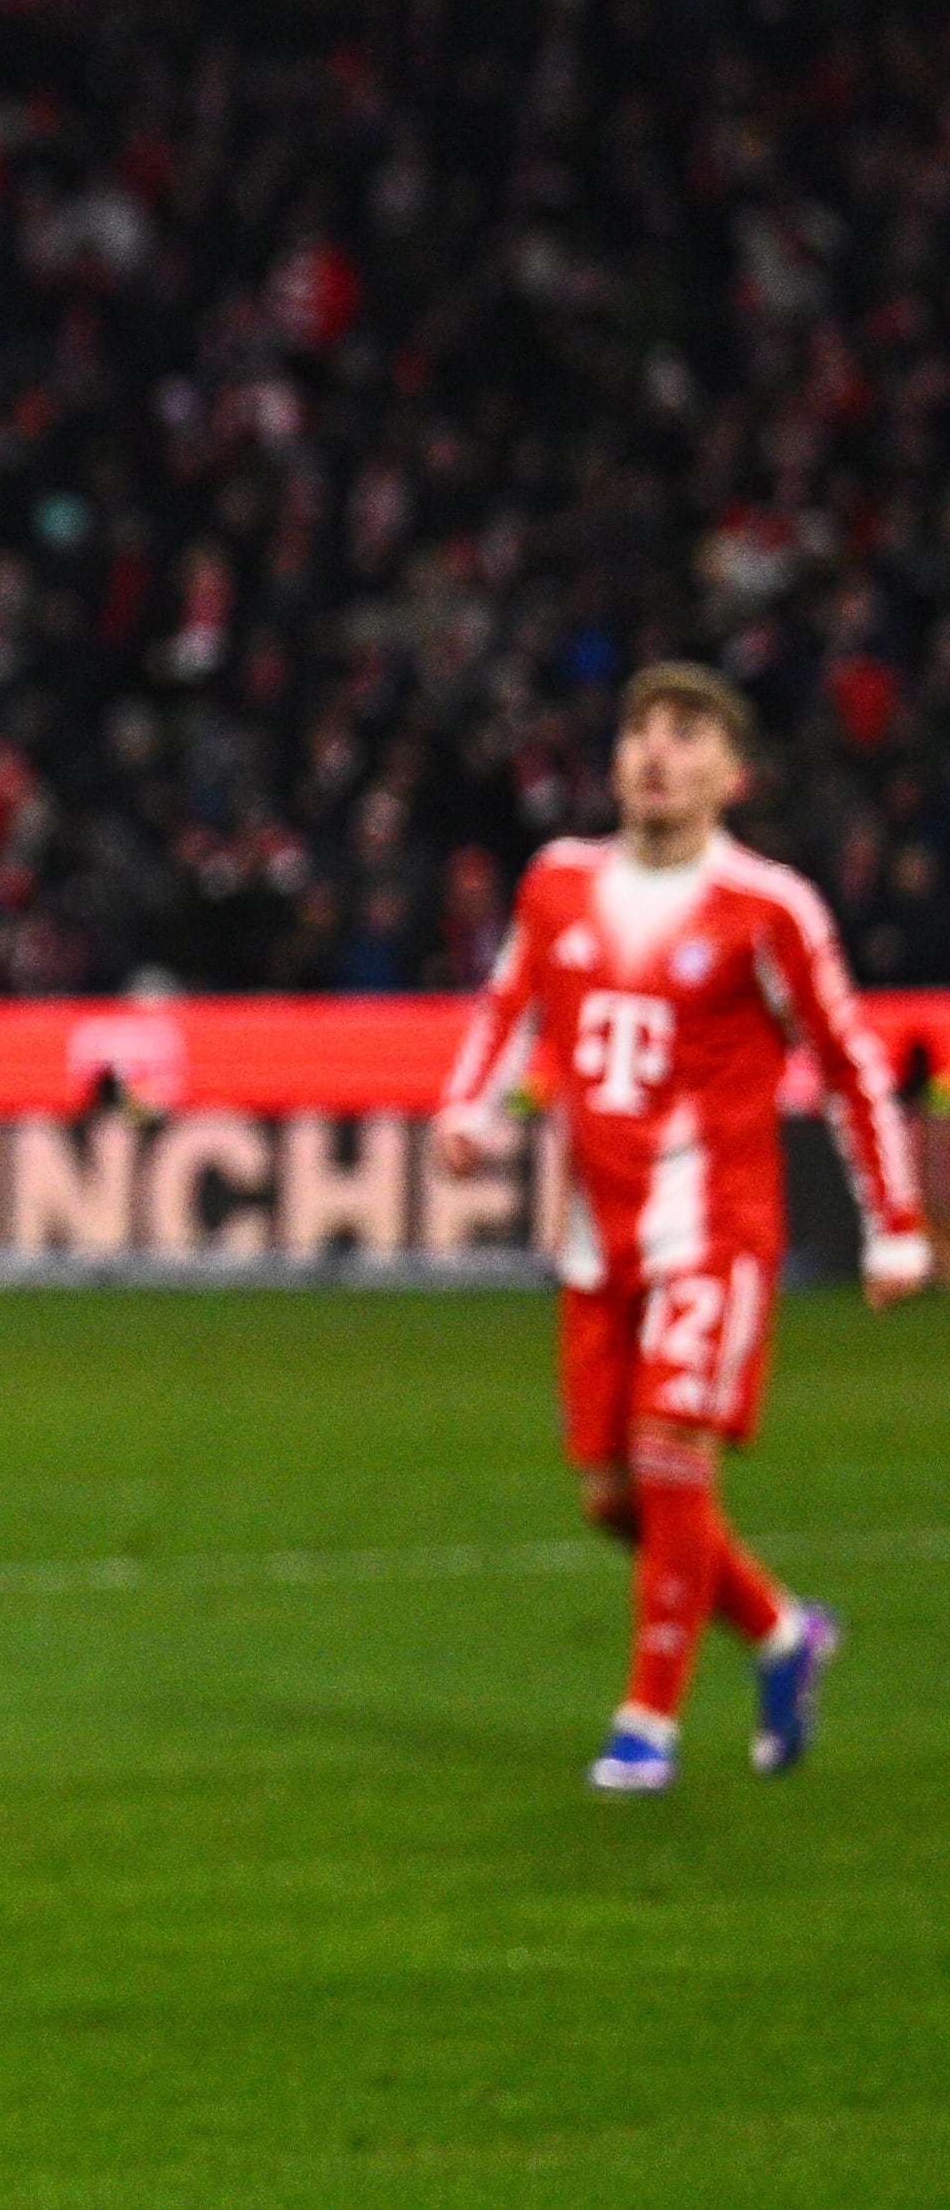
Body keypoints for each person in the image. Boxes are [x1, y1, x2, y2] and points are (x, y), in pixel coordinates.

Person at [430, 663, 930, 1794]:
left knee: (668, 1456)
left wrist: (893, 1223)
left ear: (729, 776)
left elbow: (848, 1062)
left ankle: (643, 1725)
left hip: (711, 1227)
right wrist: (467, 1105)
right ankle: (779, 1631)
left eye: (686, 736)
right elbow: (508, 1001)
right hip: (592, 1236)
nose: (655, 753)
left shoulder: (766, 907)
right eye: (639, 732)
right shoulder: (555, 883)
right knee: (612, 1498)